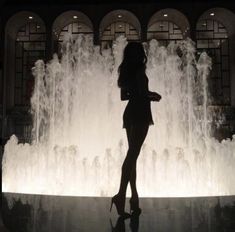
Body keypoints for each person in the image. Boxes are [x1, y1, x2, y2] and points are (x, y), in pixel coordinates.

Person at [110, 42, 161, 218]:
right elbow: (142, 94)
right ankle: (121, 195)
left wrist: (145, 94)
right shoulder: (139, 71)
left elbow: (125, 96)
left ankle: (133, 198)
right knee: (132, 155)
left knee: (132, 156)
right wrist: (152, 95)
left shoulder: (126, 72)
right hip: (141, 113)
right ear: (139, 54)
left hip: (130, 112)